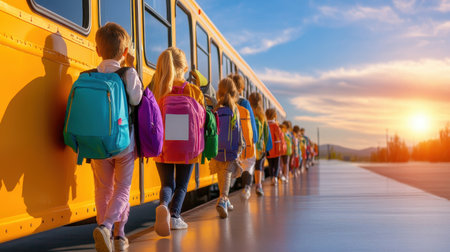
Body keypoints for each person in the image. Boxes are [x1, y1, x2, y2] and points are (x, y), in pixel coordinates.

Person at [91, 23, 143, 252]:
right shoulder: (128, 73)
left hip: (98, 144)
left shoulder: (91, 75)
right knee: (122, 189)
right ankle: (114, 231)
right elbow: (137, 100)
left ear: (97, 50)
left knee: (103, 190)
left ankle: (110, 235)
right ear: (124, 53)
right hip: (124, 144)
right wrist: (131, 67)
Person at [151, 47, 205, 236]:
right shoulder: (193, 90)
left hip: (163, 145)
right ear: (185, 67)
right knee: (182, 184)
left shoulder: (158, 89)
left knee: (167, 183)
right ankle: (174, 216)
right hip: (186, 147)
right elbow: (202, 118)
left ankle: (164, 205)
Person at [209, 77, 244, 218]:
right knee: (227, 173)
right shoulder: (234, 110)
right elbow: (239, 131)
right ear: (234, 92)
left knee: (221, 175)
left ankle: (226, 200)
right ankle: (223, 199)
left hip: (217, 149)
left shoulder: (216, 108)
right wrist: (240, 148)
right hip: (230, 149)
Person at [229, 74, 257, 200]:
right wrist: (254, 138)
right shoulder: (244, 102)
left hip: (230, 141)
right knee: (248, 165)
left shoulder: (225, 101)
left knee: (229, 167)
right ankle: (246, 188)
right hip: (244, 141)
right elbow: (251, 124)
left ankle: (225, 195)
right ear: (241, 88)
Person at [248, 92, 272, 196]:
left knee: (249, 166)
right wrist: (267, 147)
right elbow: (267, 133)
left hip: (251, 145)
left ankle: (247, 187)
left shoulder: (249, 113)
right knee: (259, 167)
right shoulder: (263, 117)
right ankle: (258, 186)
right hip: (260, 148)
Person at [266, 108, 285, 185]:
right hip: (277, 149)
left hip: (268, 149)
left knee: (270, 165)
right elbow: (280, 137)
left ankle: (271, 178)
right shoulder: (276, 125)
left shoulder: (266, 125)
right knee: (276, 164)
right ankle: (275, 178)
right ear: (275, 116)